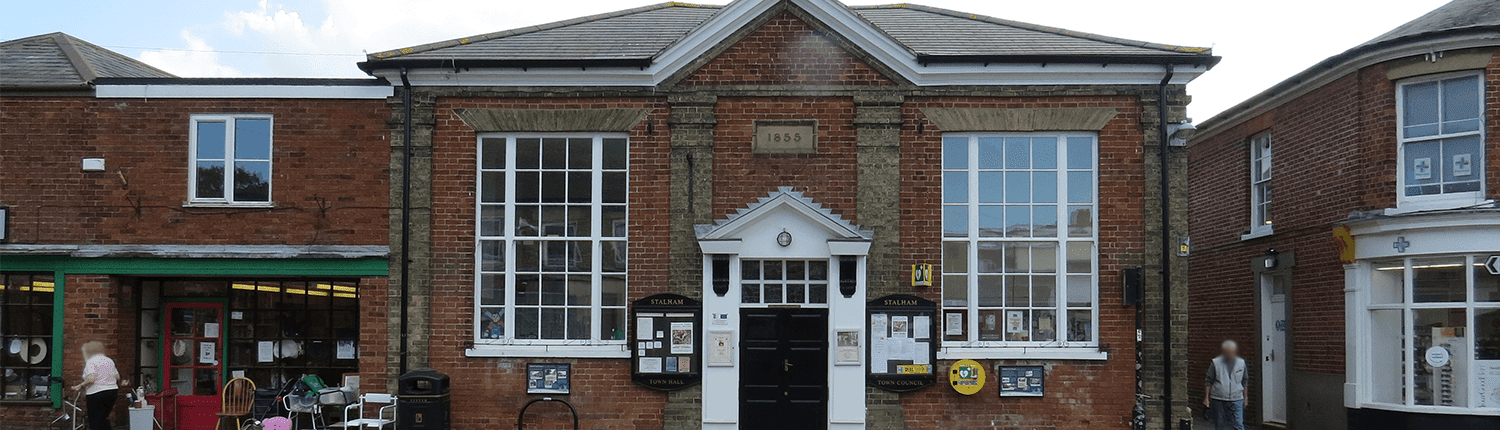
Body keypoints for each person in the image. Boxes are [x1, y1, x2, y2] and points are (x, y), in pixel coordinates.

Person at [71, 341, 123, 430]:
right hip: (112, 392)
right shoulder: (109, 360)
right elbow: (117, 376)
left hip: (96, 393)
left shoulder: (91, 361)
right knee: (102, 418)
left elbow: (91, 378)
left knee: (95, 420)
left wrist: (80, 385)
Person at [1203, 340, 1248, 430]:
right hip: (1218, 398)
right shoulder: (1215, 363)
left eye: (1232, 352)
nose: (1230, 354)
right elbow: (1208, 381)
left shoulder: (1241, 363)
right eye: (1227, 352)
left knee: (1238, 425)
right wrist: (1206, 398)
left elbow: (1245, 381)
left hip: (1237, 398)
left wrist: (1246, 397)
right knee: (1220, 425)